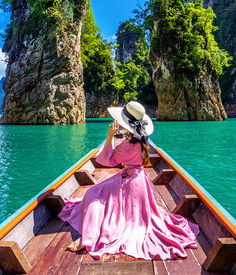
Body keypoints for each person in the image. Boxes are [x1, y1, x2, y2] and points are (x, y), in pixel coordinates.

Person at [58, 101, 199, 260]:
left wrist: (110, 136)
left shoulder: (125, 146)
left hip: (128, 183)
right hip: (139, 181)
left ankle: (89, 237)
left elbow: (105, 160)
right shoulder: (142, 140)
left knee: (91, 194)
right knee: (108, 199)